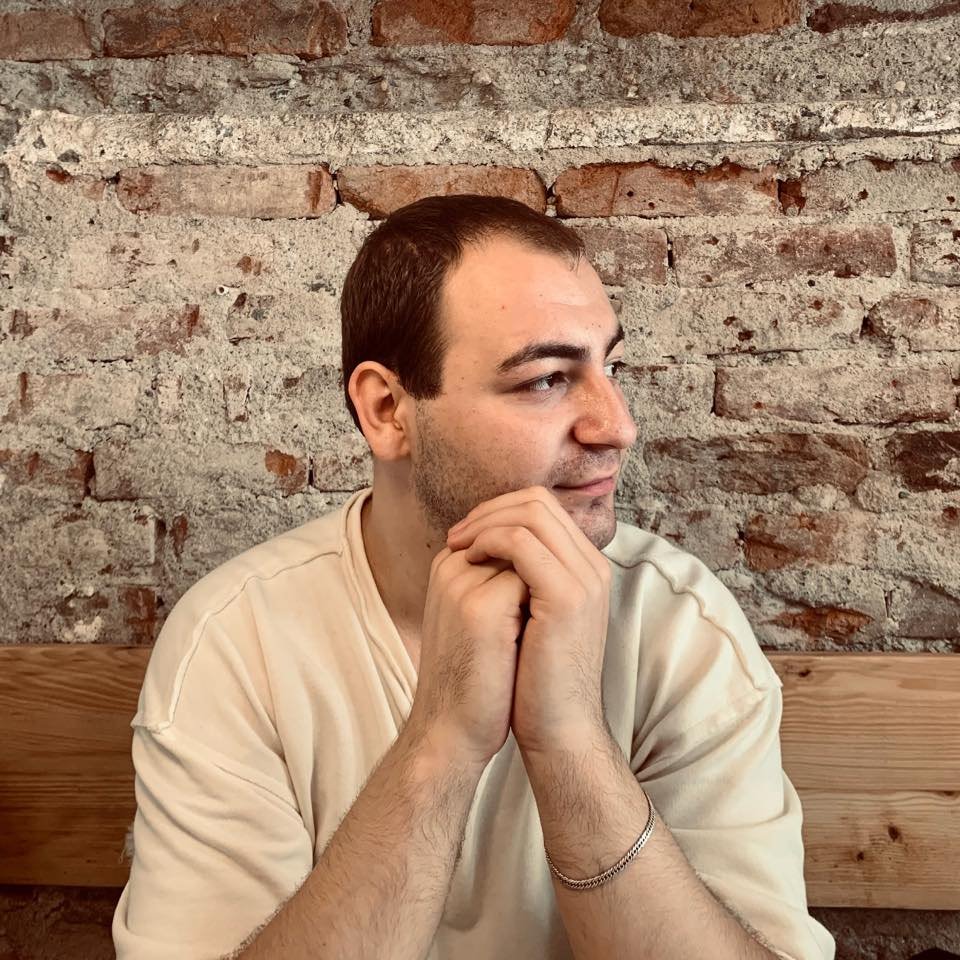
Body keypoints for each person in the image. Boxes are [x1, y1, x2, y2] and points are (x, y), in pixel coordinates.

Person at [112, 194, 836, 960]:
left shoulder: (679, 626)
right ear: (387, 410)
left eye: (611, 366)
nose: (618, 426)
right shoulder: (236, 641)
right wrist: (443, 739)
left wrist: (569, 742)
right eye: (546, 379)